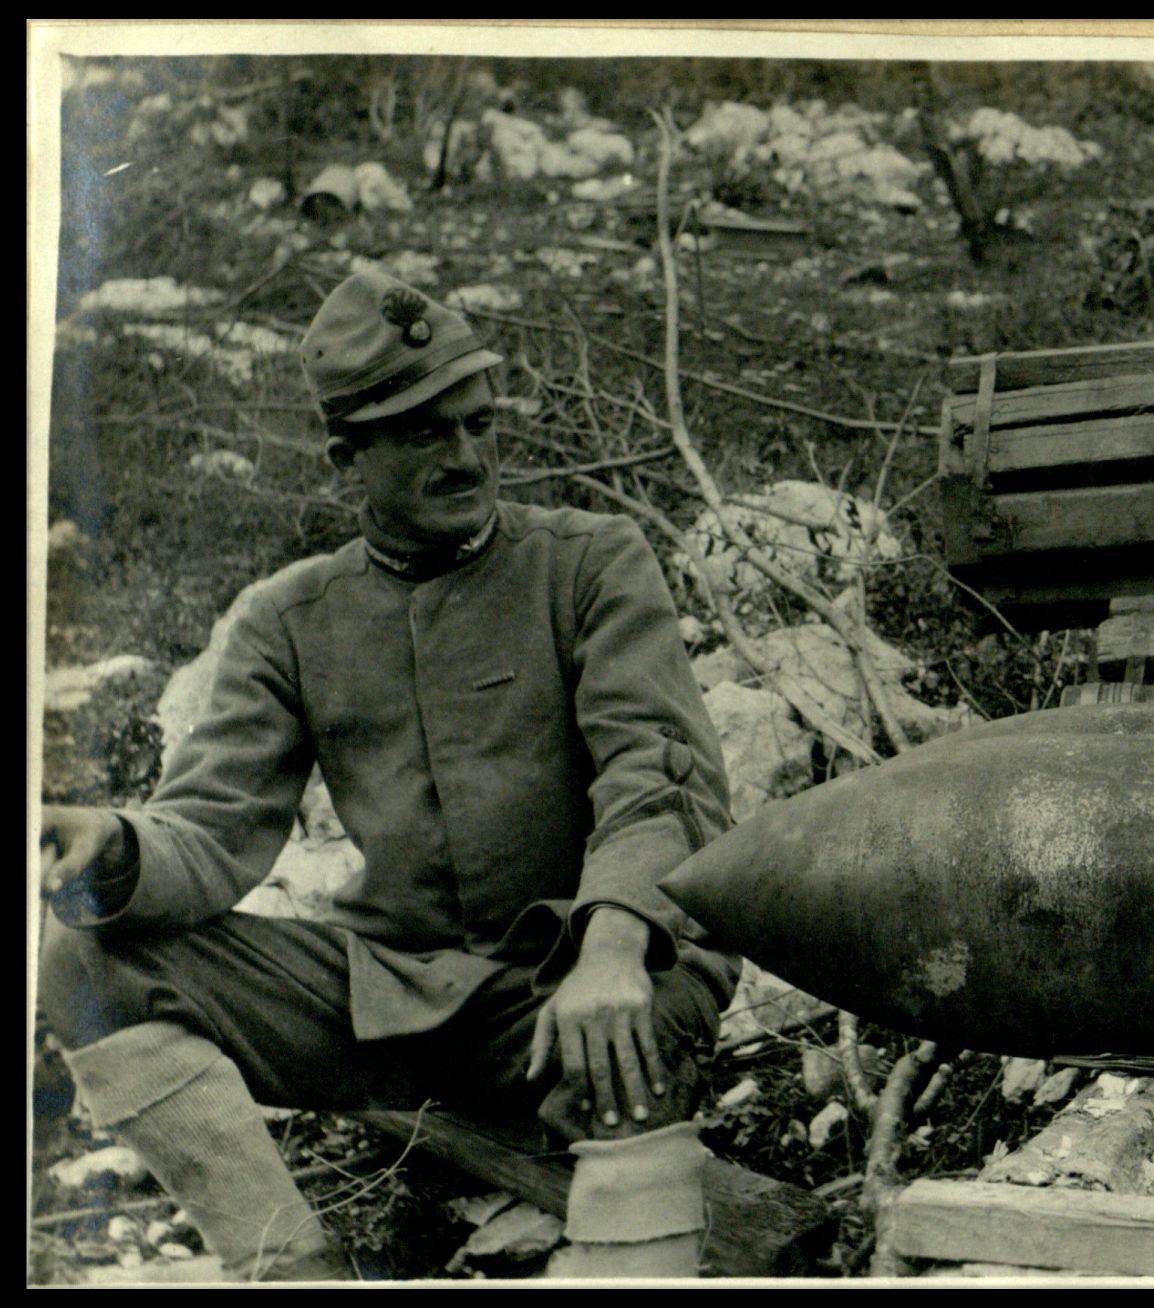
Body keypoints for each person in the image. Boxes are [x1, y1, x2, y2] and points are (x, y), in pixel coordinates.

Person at [35, 270, 739, 1281]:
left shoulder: (590, 562)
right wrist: (116, 844)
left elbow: (656, 772)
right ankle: (292, 1269)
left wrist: (616, 942)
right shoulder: (290, 618)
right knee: (86, 964)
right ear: (348, 457)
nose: (465, 456)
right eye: (423, 435)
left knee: (638, 1031)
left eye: (478, 423)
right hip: (393, 999)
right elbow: (214, 829)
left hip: (582, 972)